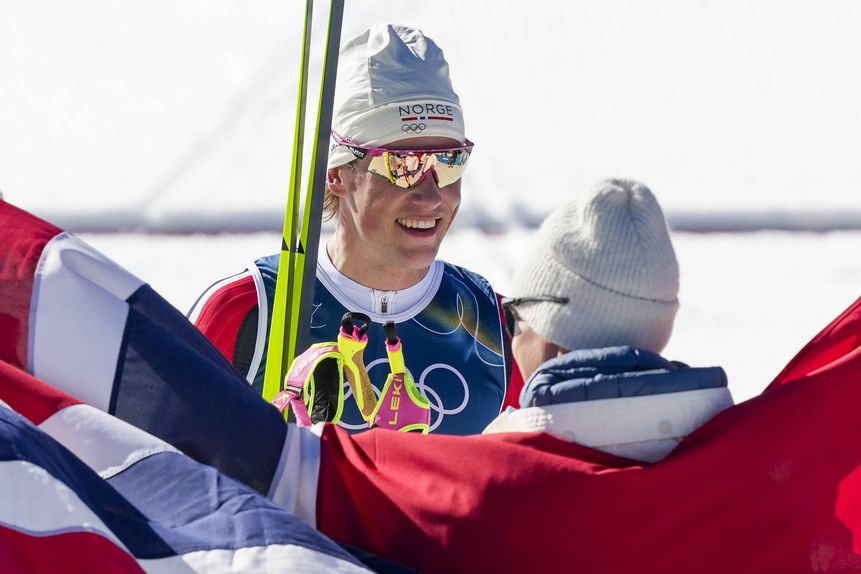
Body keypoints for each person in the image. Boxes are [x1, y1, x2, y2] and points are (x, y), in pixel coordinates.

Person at [190, 24, 512, 435]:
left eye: (449, 161)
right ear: (338, 173)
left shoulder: (497, 325)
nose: (432, 196)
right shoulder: (246, 308)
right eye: (403, 165)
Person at [485, 179, 733, 462]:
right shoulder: (740, 453)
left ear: (550, 333)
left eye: (514, 317)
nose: (512, 341)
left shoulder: (492, 467)